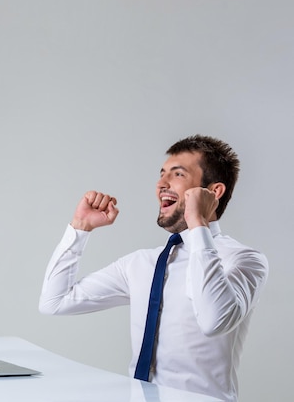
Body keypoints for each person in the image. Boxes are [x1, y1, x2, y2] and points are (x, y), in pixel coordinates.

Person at [39, 135, 268, 402]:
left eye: (177, 174)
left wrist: (198, 225)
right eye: (161, 175)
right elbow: (54, 302)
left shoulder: (245, 260)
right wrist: (80, 227)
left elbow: (213, 321)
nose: (161, 184)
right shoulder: (141, 263)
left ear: (214, 192)